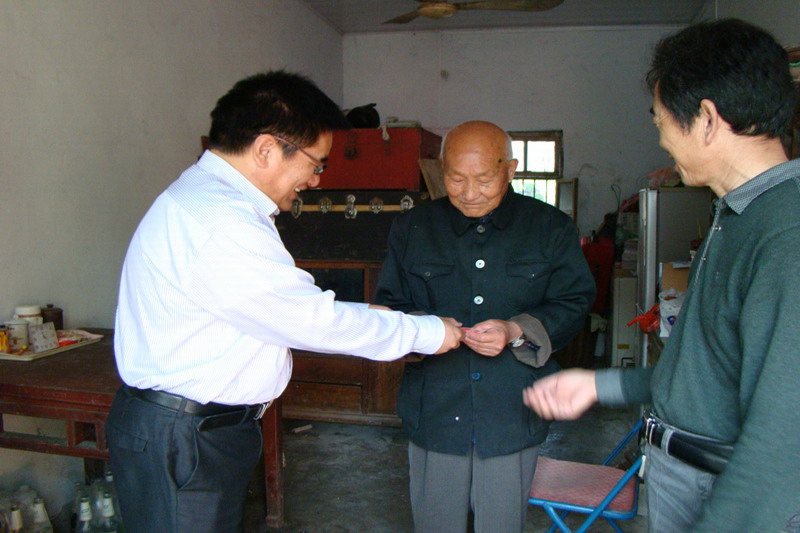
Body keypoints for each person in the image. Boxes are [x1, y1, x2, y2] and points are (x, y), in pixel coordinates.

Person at [105, 70, 465, 533]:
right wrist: (430, 332)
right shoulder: (220, 220)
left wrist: (366, 313)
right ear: (266, 149)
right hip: (185, 437)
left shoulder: (208, 200)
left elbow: (274, 308)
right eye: (317, 164)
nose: (316, 180)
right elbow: (311, 322)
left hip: (191, 431)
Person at [523, 19, 800, 533]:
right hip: (686, 474)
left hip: (725, 494)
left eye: (661, 121)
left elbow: (784, 437)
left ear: (707, 119)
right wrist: (603, 384)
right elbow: (708, 371)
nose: (661, 139)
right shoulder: (737, 212)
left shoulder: (787, 231)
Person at [374, 120, 596, 533]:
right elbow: (391, 306)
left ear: (510, 170)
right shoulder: (413, 228)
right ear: (441, 170)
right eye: (456, 178)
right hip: (436, 408)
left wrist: (516, 330)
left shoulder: (549, 227)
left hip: (512, 410)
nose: (469, 192)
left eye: (484, 179)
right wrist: (430, 332)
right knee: (436, 523)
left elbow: (573, 301)